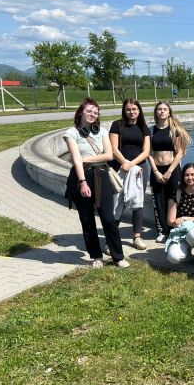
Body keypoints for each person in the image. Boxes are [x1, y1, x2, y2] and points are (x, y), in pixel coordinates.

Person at [63, 98, 128, 268]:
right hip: (82, 176)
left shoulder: (102, 132)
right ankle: (96, 256)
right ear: (80, 112)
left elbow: (109, 155)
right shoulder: (71, 133)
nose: (92, 114)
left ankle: (118, 257)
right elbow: (75, 160)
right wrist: (83, 182)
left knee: (108, 217)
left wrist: (84, 158)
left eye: (95, 112)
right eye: (89, 111)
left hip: (101, 175)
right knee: (87, 219)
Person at [109, 98, 151, 250]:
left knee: (137, 203)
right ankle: (111, 239)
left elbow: (146, 151)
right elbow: (113, 148)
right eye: (128, 109)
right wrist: (125, 163)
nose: (131, 112)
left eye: (134, 109)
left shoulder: (143, 127)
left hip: (139, 170)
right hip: (119, 168)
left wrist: (131, 165)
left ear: (139, 110)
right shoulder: (117, 125)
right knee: (116, 203)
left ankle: (137, 237)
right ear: (124, 110)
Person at [148, 101, 192, 244]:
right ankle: (163, 231)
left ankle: (175, 229)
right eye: (159, 109)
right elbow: (148, 153)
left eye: (165, 109)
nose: (162, 111)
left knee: (174, 200)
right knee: (158, 201)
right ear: (156, 112)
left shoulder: (174, 130)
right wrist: (155, 171)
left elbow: (180, 153)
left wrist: (169, 171)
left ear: (169, 112)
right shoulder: (151, 130)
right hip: (157, 170)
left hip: (172, 170)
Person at [165, 163, 194, 265]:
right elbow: (171, 221)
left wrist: (184, 218)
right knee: (173, 258)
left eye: (193, 174)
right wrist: (180, 221)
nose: (190, 178)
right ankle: (188, 255)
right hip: (181, 233)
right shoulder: (177, 193)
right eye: (186, 175)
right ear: (182, 177)